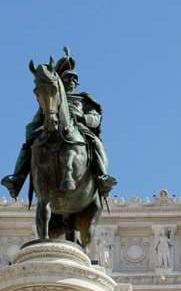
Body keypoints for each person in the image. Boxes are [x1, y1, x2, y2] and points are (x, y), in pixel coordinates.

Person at [1, 48, 117, 198]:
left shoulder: (83, 99)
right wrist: (31, 132)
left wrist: (83, 118)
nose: (71, 82)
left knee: (95, 142)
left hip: (78, 128)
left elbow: (95, 118)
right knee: (30, 144)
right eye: (68, 78)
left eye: (74, 79)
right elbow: (38, 117)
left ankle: (103, 178)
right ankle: (16, 179)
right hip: (51, 127)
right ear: (61, 81)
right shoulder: (52, 98)